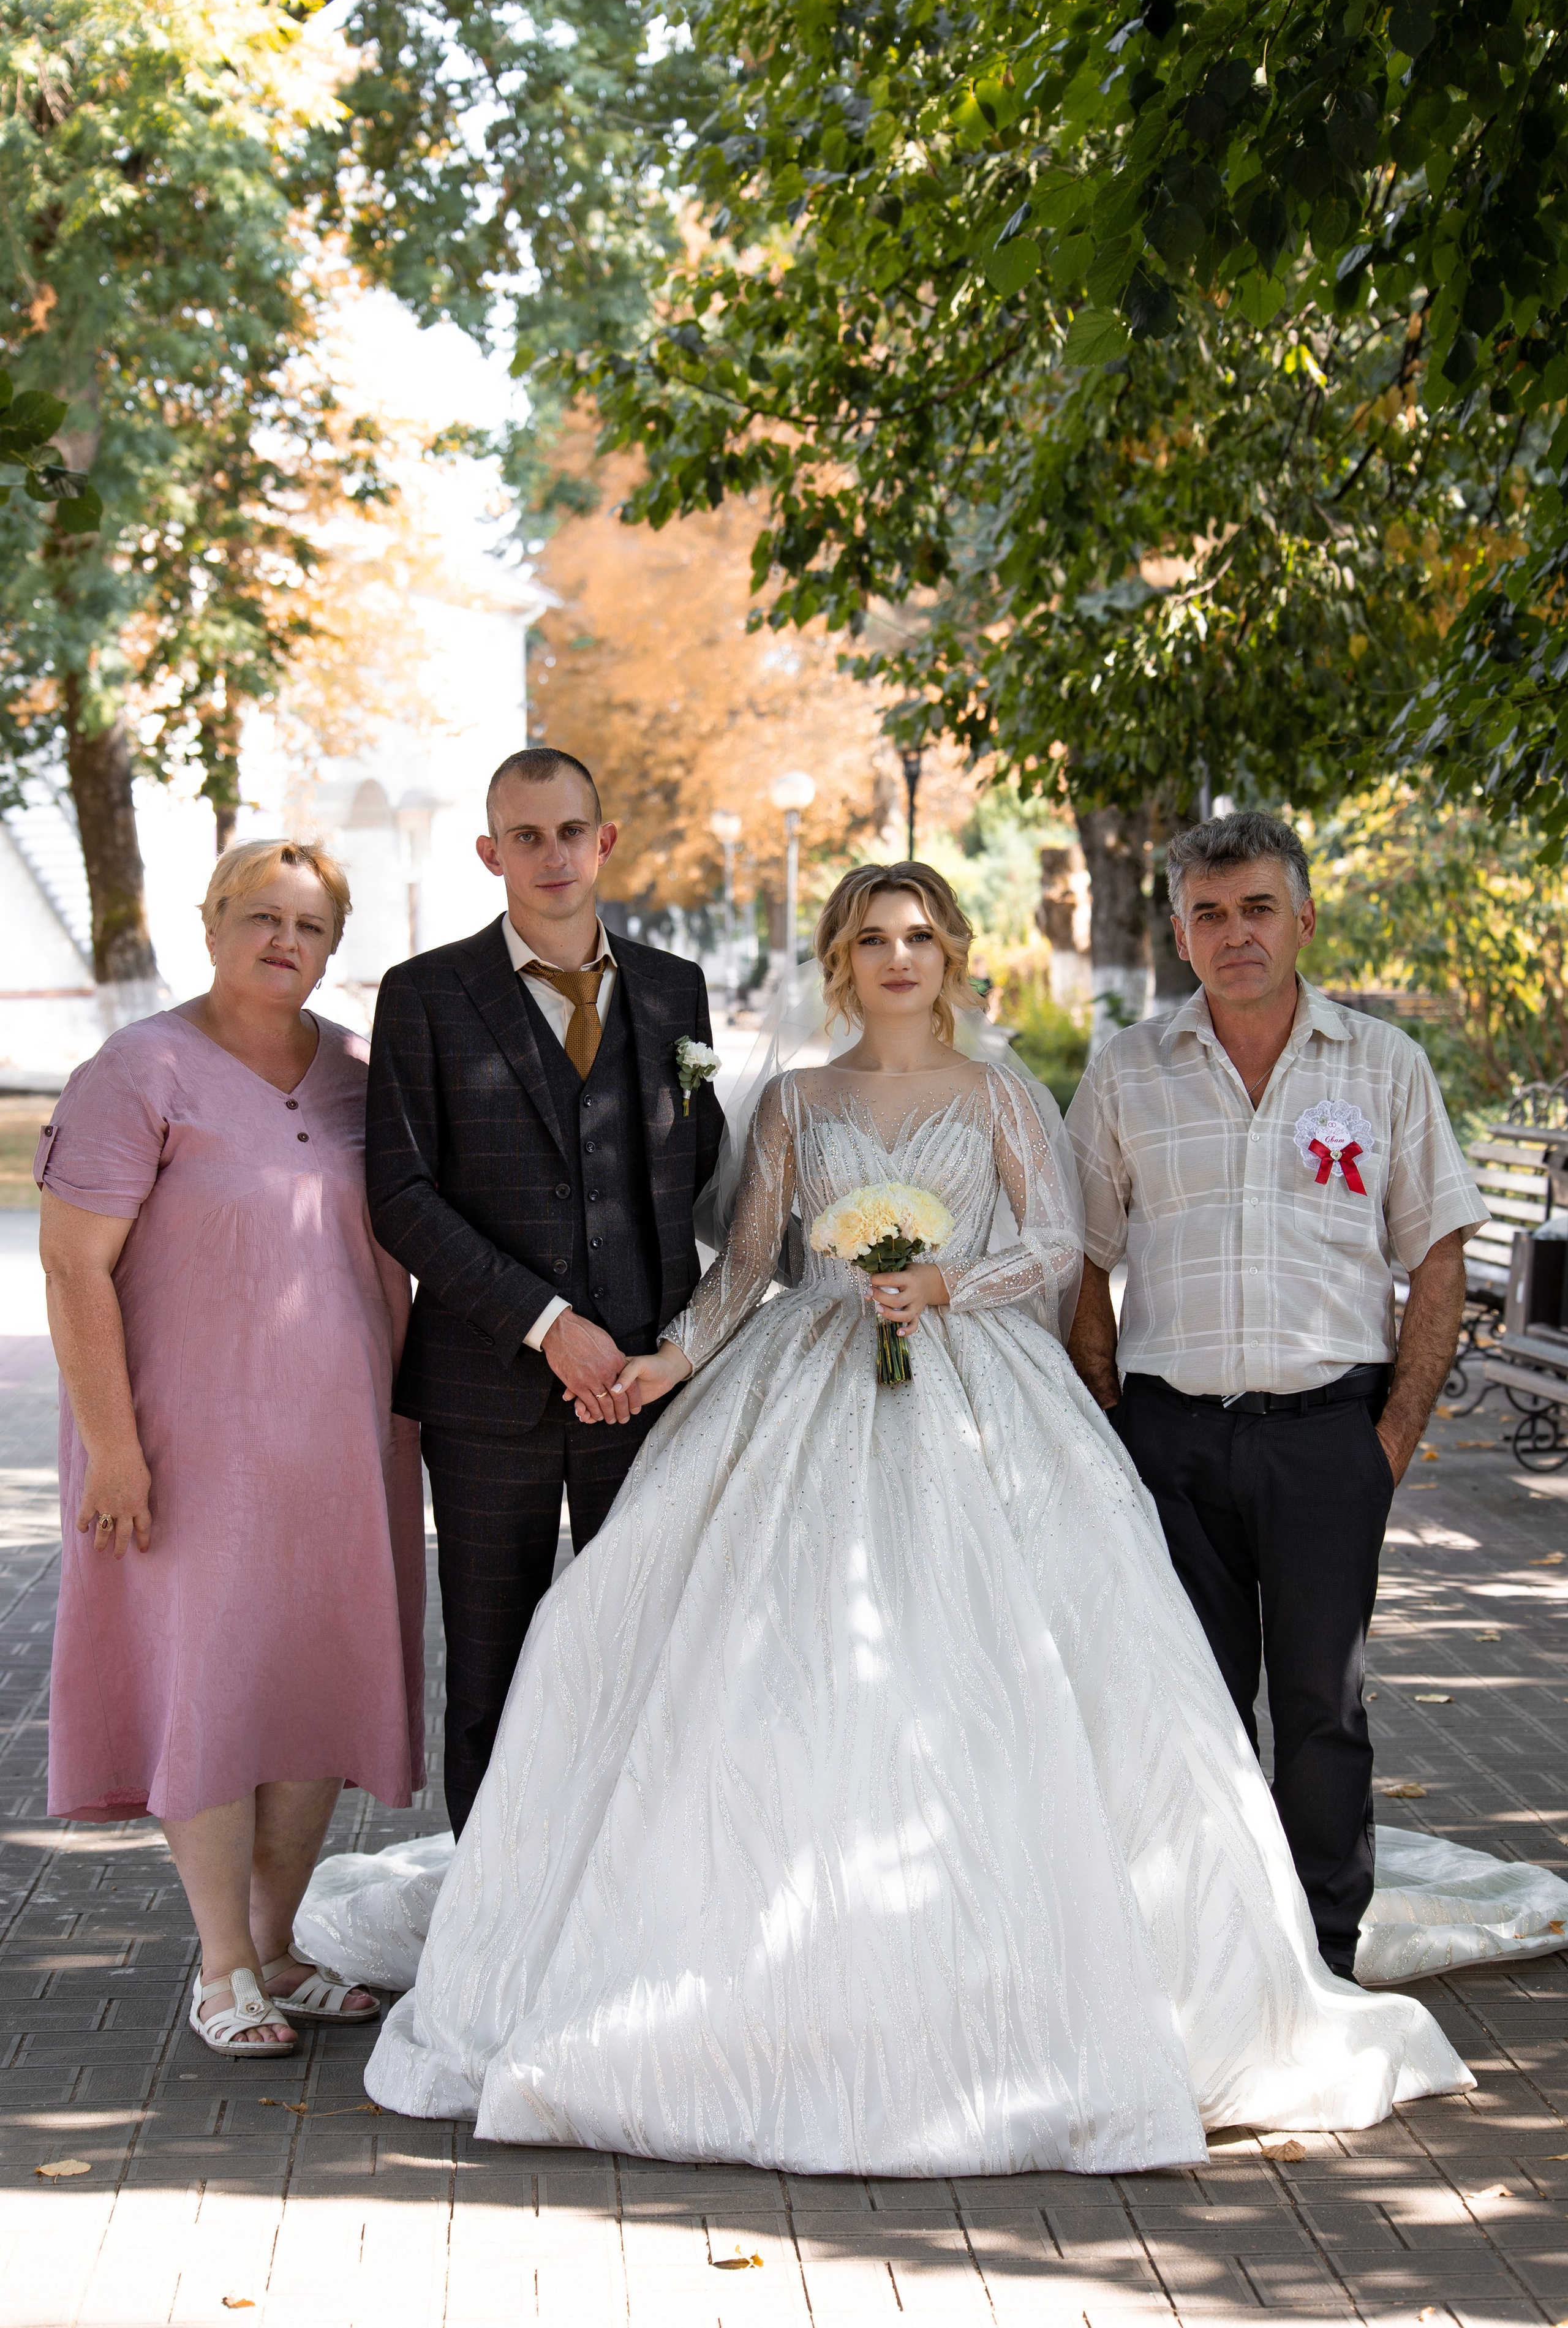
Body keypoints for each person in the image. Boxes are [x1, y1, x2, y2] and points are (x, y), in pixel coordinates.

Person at [333, 858, 1469, 2176]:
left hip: (983, 1387)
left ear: (951, 955)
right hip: (808, 1384)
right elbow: (749, 1268)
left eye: (919, 935)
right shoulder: (793, 1107)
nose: (897, 958)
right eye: (872, 937)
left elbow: (1056, 1247)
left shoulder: (998, 1092)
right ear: (839, 959)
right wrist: (663, 1364)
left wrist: (947, 1278)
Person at [1065, 809, 1488, 1984]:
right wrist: (1111, 1422)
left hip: (1327, 1438)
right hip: (1171, 1441)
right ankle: (1202, 1948)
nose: (1235, 932)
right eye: (1210, 913)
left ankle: (1324, 1953)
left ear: (1304, 919)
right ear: (1182, 934)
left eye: (1258, 908)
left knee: (1321, 1706)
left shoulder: (1384, 1065)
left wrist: (1390, 1440)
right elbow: (1080, 1260)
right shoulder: (1125, 1071)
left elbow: (1437, 1255)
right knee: (1189, 1703)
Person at [37, 840, 425, 2056]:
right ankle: (219, 1966)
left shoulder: (365, 1074)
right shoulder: (137, 1069)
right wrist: (114, 1447)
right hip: (186, 1447)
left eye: (311, 926)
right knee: (209, 1685)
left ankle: (279, 1942)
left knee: (313, 1684)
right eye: (260, 916)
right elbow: (70, 1264)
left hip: (347, 1442)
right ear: (209, 922)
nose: (284, 942)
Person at [364, 747, 725, 1838]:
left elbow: (694, 1160)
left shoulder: (674, 989)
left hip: (645, 1390)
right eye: (526, 836)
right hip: (487, 1398)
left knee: (642, 1658)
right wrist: (547, 1323)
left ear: (604, 839)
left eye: (571, 830)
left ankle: (617, 1911)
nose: (553, 854)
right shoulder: (425, 995)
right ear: (491, 853)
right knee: (491, 1670)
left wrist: (651, 1343)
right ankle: (488, 1921)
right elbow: (401, 1194)